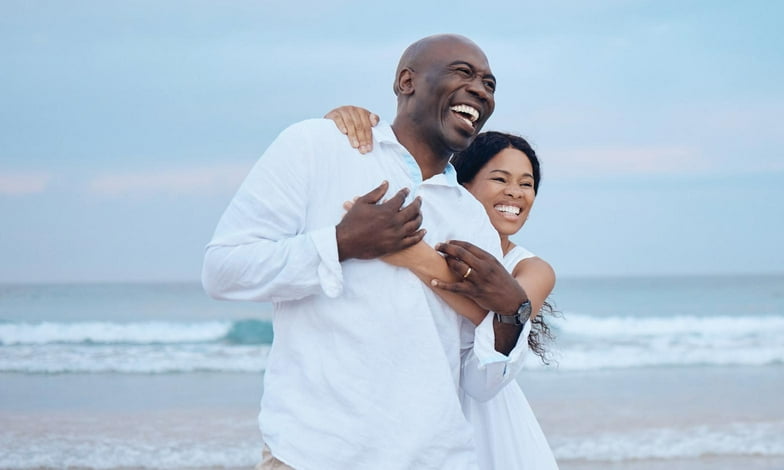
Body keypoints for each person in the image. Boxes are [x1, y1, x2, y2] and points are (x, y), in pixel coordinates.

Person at [202, 34, 535, 470]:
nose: (480, 89)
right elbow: (223, 270)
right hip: (313, 454)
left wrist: (511, 315)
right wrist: (341, 244)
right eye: (463, 72)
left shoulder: (472, 219)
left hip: (435, 458)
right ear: (406, 81)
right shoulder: (317, 146)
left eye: (490, 84)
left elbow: (478, 382)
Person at [328, 107, 559, 469]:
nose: (515, 193)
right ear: (462, 186)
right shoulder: (427, 232)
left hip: (488, 417)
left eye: (526, 184)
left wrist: (415, 258)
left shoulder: (531, 268)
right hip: (409, 401)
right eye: (500, 179)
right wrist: (342, 121)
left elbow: (509, 309)